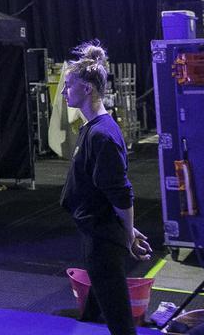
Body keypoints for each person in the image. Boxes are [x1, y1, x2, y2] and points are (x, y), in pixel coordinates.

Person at [59, 41, 151, 335]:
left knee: (119, 316)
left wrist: (127, 234)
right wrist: (129, 229)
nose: (63, 92)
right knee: (108, 309)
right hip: (95, 231)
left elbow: (120, 193)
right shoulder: (91, 129)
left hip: (102, 237)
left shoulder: (102, 135)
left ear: (87, 88)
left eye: (68, 85)